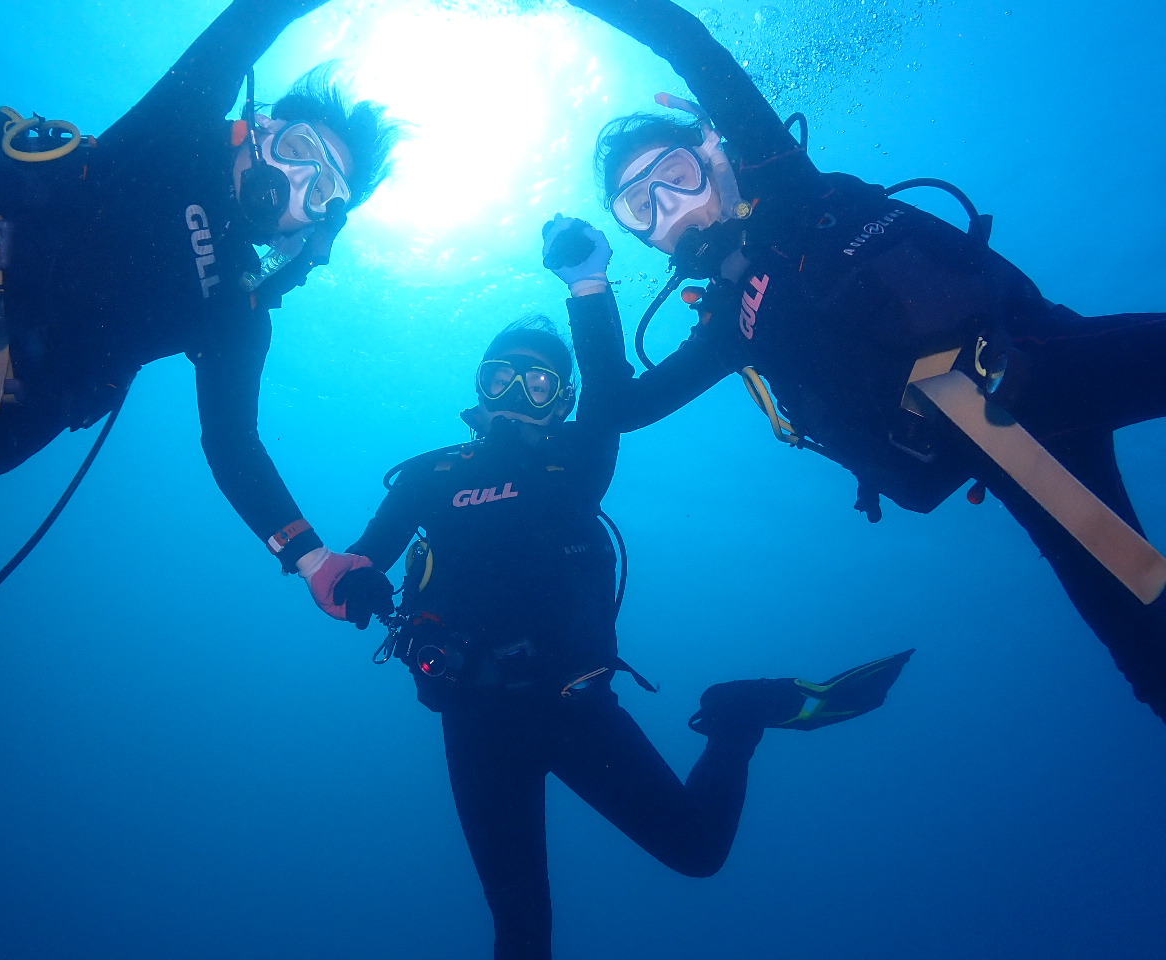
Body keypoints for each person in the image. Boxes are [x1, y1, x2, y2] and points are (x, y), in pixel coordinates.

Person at [557, 0, 1166, 722]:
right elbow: (615, 411)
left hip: (1045, 366)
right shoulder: (727, 326)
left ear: (716, 156)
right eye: (639, 205)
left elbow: (687, 40)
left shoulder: (790, 187)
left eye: (679, 174)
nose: (669, 207)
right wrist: (587, 286)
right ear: (639, 237)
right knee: (1150, 651)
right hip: (1005, 455)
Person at [331, 221, 913, 959]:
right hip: (472, 717)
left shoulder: (578, 456)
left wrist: (586, 286)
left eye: (536, 383)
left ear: (561, 397)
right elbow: (365, 559)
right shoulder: (429, 475)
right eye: (499, 379)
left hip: (573, 705)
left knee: (697, 853)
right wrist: (353, 586)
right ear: (476, 388)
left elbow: (612, 397)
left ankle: (739, 715)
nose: (515, 394)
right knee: (521, 932)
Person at [0, 0, 400, 625]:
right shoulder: (176, 134)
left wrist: (313, 558)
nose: (297, 184)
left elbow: (232, 442)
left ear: (316, 227)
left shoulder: (235, 307)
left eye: (321, 192)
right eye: (299, 150)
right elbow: (246, 25)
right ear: (259, 126)